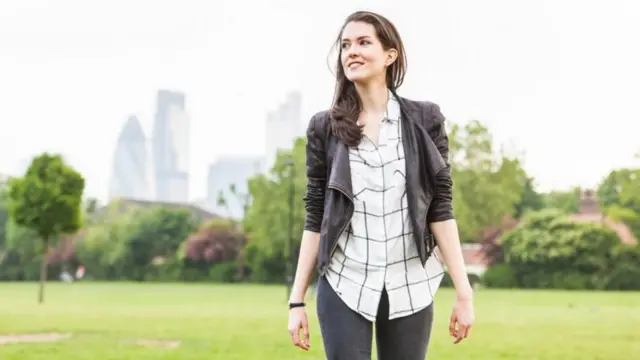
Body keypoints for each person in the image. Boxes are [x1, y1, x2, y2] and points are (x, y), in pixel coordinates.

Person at [287, 10, 475, 360]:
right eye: (345, 45)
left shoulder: (425, 120)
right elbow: (316, 217)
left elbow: (440, 209)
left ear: (390, 55)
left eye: (363, 42)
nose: (351, 52)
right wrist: (296, 299)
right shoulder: (323, 128)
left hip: (410, 284)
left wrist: (464, 292)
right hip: (345, 281)